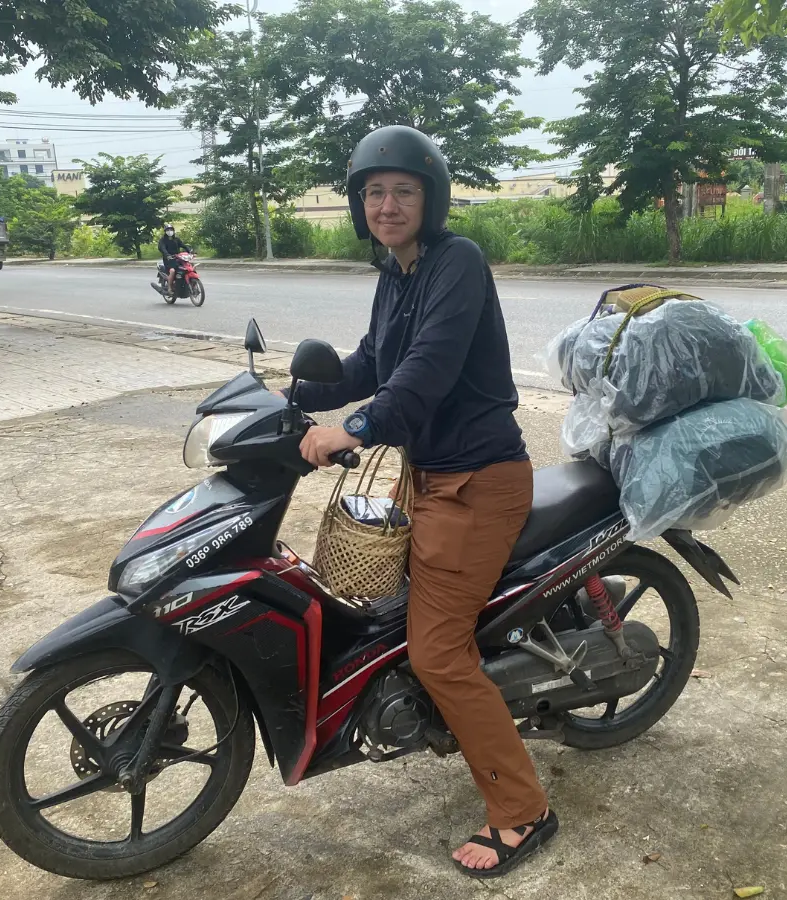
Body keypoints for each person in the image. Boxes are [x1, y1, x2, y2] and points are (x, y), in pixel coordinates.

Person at [290, 125, 558, 878]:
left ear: (430, 199)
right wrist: (292, 397)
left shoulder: (457, 262)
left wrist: (355, 429)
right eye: (373, 192)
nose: (387, 204)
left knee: (438, 652)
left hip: (478, 482)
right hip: (431, 478)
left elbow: (425, 376)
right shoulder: (397, 272)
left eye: (403, 190)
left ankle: (523, 812)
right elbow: (375, 360)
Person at [157, 224, 192, 296]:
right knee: (172, 271)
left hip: (178, 258)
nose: (170, 231)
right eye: (168, 230)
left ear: (173, 230)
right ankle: (170, 288)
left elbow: (183, 245)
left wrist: (189, 251)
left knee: (188, 267)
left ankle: (191, 284)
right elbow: (162, 248)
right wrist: (167, 255)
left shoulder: (176, 239)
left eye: (171, 230)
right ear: (165, 231)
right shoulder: (163, 240)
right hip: (169, 260)